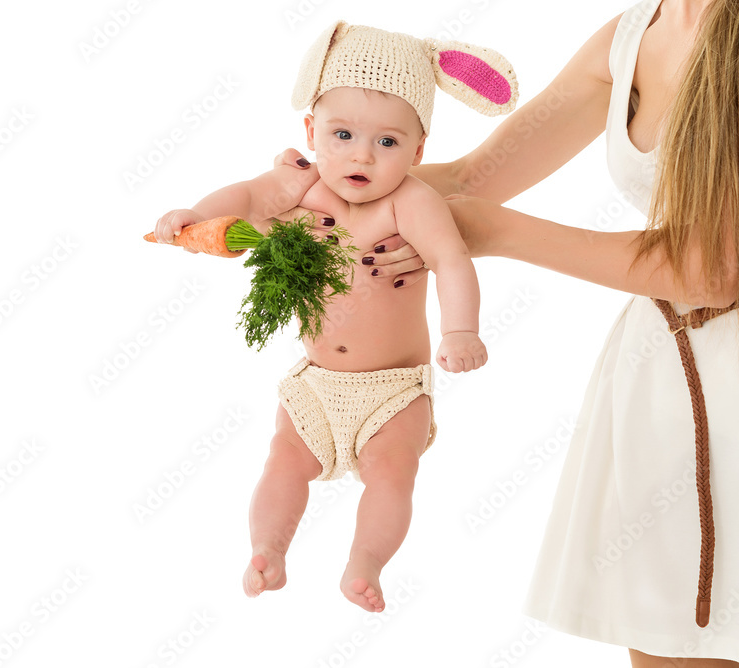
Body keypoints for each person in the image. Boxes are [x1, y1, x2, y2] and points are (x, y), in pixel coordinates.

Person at [279, 0, 738, 664]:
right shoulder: (635, 34)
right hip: (665, 378)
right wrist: (282, 199)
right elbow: (474, 177)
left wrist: (500, 233)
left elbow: (714, 267)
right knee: (668, 645)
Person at [150, 21, 520, 612]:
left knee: (393, 472)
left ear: (419, 151)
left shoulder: (412, 202)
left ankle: (365, 564)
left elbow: (452, 263)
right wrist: (195, 214)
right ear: (310, 131)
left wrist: (461, 331)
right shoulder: (299, 187)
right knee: (283, 459)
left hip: (392, 391)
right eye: (342, 134)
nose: (360, 156)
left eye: (388, 143)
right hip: (316, 385)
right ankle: (267, 550)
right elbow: (243, 199)